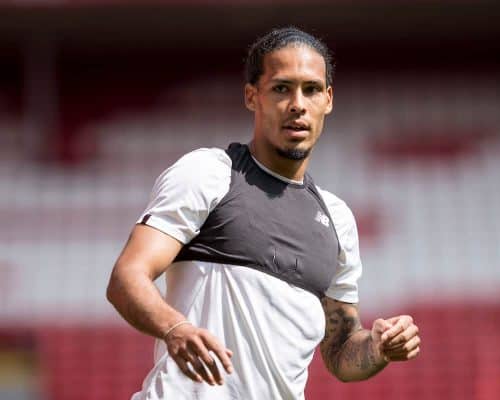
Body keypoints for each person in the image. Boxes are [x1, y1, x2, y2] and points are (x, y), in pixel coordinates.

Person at [106, 27, 420, 400]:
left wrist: (380, 347)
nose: (298, 104)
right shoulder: (210, 173)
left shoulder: (337, 220)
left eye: (311, 89)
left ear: (328, 100)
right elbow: (127, 277)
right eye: (281, 88)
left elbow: (340, 352)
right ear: (252, 96)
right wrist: (176, 328)